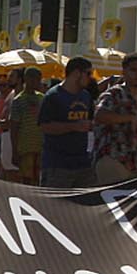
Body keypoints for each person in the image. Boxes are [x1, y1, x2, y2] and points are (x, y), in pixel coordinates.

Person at [91, 54, 137, 184]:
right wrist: (128, 118)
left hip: (132, 162)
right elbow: (99, 115)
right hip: (112, 157)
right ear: (124, 72)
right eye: (133, 70)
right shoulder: (115, 93)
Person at [39, 57, 100, 189]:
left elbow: (90, 122)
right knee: (55, 207)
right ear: (77, 73)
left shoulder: (86, 96)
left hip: (83, 164)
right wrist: (74, 126)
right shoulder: (53, 96)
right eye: (88, 73)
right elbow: (45, 126)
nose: (91, 78)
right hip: (58, 165)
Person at [6, 70, 45, 184]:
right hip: (25, 147)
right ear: (26, 79)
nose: (35, 82)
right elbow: (14, 127)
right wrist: (14, 150)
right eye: (32, 78)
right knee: (27, 180)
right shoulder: (18, 100)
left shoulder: (42, 98)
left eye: (38, 79)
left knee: (39, 179)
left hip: (41, 146)